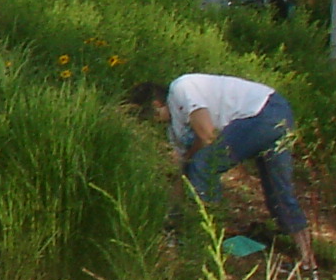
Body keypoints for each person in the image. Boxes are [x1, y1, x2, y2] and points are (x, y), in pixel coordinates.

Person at [125, 72, 317, 270]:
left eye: (149, 116)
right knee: (278, 193)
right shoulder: (175, 130)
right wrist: (169, 215)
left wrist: (191, 158)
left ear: (156, 104)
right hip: (277, 112)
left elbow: (207, 135)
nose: (153, 121)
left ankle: (206, 241)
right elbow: (182, 173)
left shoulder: (181, 88)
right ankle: (308, 262)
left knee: (204, 163)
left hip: (264, 110)